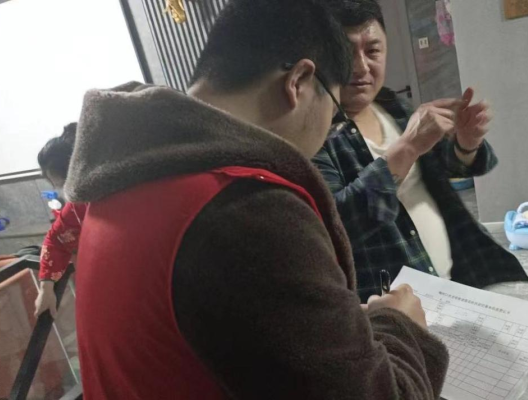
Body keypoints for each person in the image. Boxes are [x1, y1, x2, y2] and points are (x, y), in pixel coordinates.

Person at [64, 0, 449, 398]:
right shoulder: (246, 210)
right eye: (334, 110)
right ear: (299, 82)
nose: (329, 128)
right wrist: (401, 326)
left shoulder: (126, 180)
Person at [313, 0, 528, 302]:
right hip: (389, 307)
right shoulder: (315, 133)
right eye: (346, 52)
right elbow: (337, 226)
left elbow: (444, 167)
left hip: (453, 280)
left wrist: (466, 144)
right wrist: (408, 147)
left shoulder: (394, 107)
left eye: (373, 51)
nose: (361, 67)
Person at [34, 123, 87, 318]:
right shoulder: (76, 208)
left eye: (65, 183)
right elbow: (55, 240)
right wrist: (46, 288)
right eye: (60, 186)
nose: (66, 191)